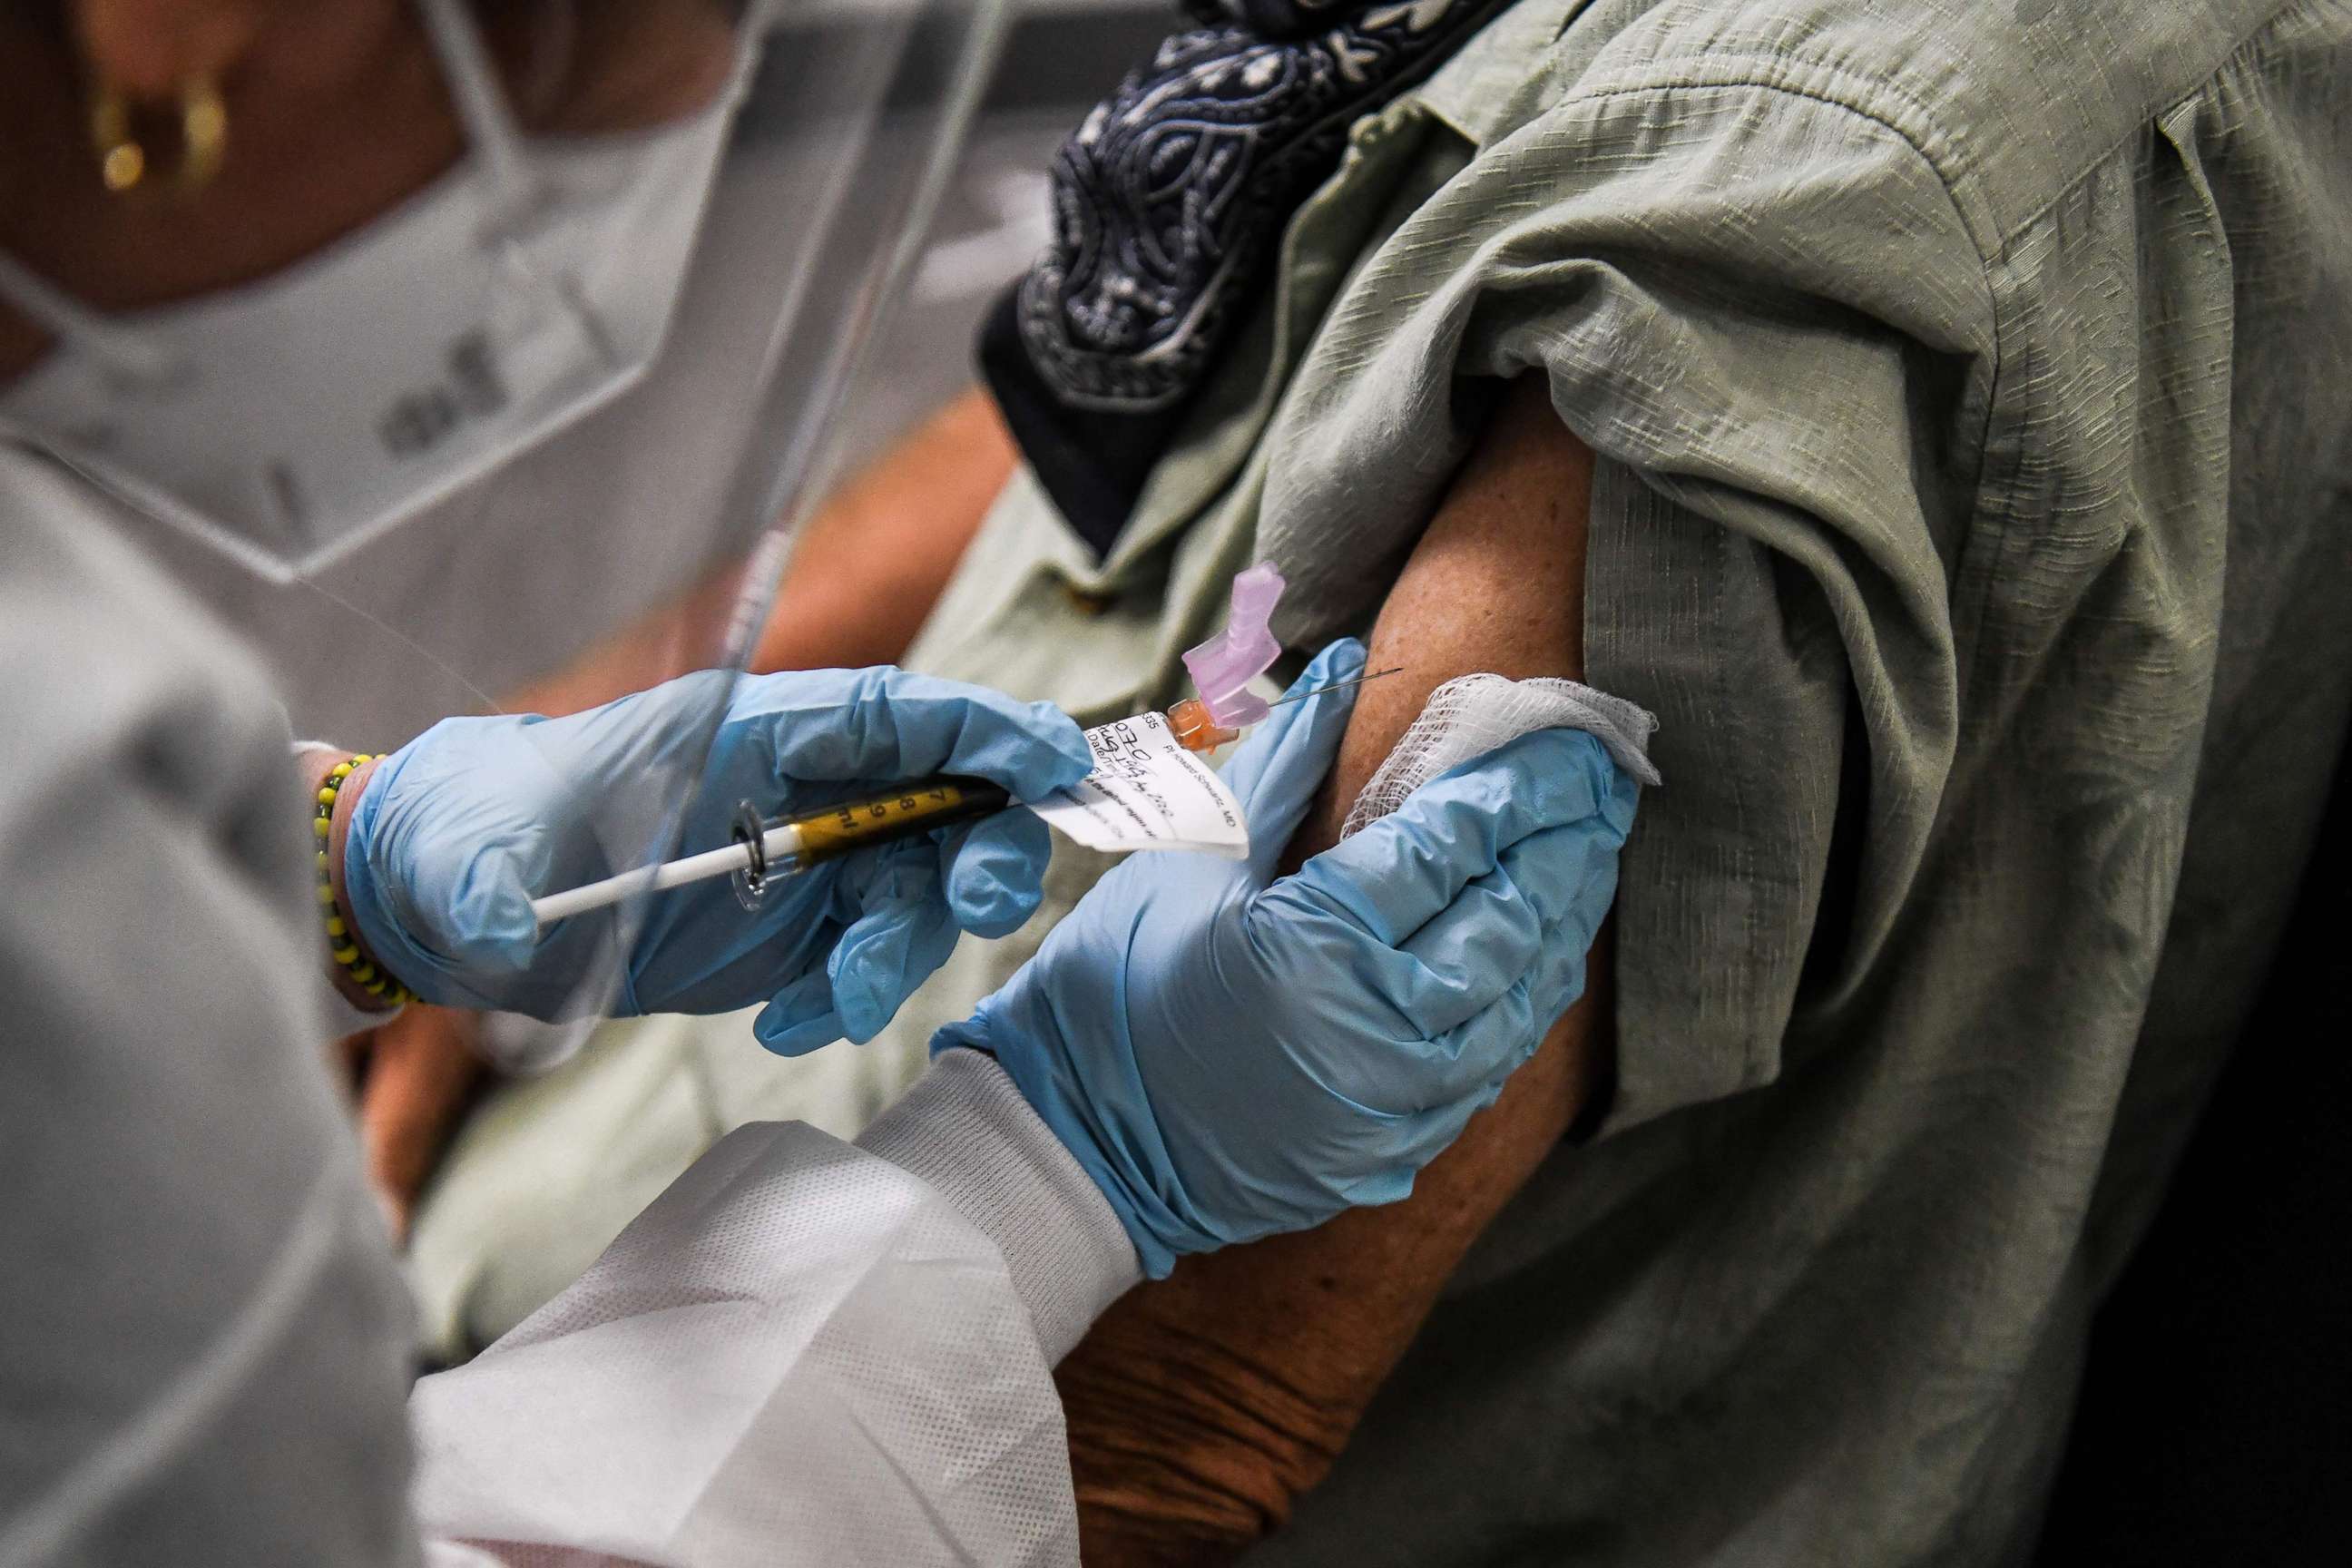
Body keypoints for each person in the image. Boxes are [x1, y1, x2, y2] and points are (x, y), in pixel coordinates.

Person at [429, 0, 2350, 1562]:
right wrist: (398, 840)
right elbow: (1214, 287)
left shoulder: (1790, 200)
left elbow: (1175, 1442)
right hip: (514, 1292)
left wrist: (1053, 1179)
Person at [0, 1, 1651, 1561]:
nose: (690, 104)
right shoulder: (61, 900)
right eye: (674, 17)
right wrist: (1058, 1171)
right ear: (174, 29)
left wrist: (328, 876)